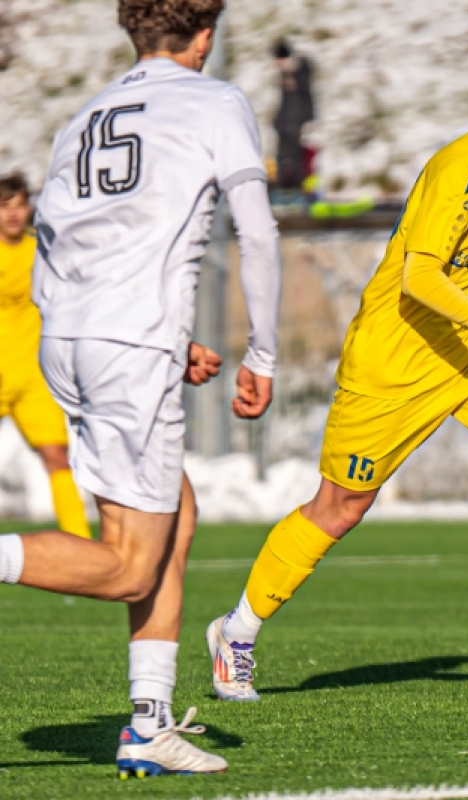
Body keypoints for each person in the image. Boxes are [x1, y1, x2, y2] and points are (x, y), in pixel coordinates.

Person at [207, 34, 468, 703]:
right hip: (393, 362)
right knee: (339, 509)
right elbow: (419, 280)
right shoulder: (465, 170)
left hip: (460, 351)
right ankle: (236, 633)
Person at [0, 0, 280, 777]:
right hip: (125, 346)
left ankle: (148, 722)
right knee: (130, 564)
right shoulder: (215, 100)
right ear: (206, 35)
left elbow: (62, 243)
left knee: (174, 519)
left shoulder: (83, 116)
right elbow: (255, 229)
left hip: (75, 340)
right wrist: (263, 350)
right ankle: (145, 724)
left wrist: (157, 339)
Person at [0, 172, 91, 540]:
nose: (14, 215)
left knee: (56, 456)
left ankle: (82, 544)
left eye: (20, 206)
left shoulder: (43, 250)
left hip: (32, 376)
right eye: (5, 207)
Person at [272, 37, 315, 193]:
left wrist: (307, 119)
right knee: (283, 157)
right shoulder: (286, 73)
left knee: (295, 157)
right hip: (285, 123)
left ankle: (297, 188)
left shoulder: (298, 72)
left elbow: (305, 96)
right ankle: (284, 186)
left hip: (295, 122)